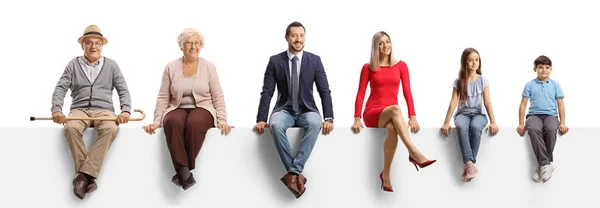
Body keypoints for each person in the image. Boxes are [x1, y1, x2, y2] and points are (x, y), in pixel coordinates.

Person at [142, 28, 233, 190]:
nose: (193, 47)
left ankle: (183, 170)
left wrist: (222, 121)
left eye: (197, 43)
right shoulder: (171, 67)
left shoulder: (209, 66)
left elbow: (218, 96)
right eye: (189, 43)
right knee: (172, 121)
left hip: (203, 107)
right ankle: (185, 172)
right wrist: (157, 121)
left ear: (201, 46)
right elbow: (163, 97)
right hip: (177, 107)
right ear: (181, 46)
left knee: (195, 122)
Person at [253, 21, 334, 199]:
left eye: (301, 36)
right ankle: (296, 174)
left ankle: (293, 172)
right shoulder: (275, 61)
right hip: (285, 109)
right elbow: (267, 91)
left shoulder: (314, 60)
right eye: (294, 35)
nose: (298, 39)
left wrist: (329, 117)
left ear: (305, 38)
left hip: (307, 109)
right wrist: (261, 118)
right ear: (287, 38)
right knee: (275, 125)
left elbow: (324, 90)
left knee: (315, 123)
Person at [51, 24, 132, 199]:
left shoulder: (112, 65)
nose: (93, 46)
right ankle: (88, 177)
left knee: (111, 129)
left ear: (102, 45)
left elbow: (123, 89)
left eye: (97, 43)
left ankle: (82, 177)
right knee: (70, 128)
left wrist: (125, 110)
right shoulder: (73, 65)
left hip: (104, 111)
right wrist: (57, 110)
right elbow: (60, 89)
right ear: (83, 46)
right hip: (79, 110)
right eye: (89, 43)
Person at [352, 31, 436, 192]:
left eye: (388, 41)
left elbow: (407, 92)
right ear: (375, 47)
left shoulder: (401, 66)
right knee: (396, 109)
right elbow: (361, 93)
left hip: (392, 115)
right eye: (381, 43)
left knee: (392, 129)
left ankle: (386, 175)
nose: (385, 46)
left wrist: (413, 116)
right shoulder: (368, 67)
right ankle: (413, 152)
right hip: (373, 113)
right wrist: (356, 117)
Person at [440, 48, 499, 182]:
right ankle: (470, 165)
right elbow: (454, 101)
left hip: (479, 114)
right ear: (465, 63)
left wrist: (493, 121)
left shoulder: (483, 81)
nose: (474, 63)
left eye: (476, 60)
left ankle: (469, 165)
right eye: (470, 60)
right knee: (461, 127)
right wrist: (446, 122)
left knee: (475, 127)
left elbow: (487, 101)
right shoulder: (459, 81)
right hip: (463, 114)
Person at [517, 55, 568, 183]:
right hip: (534, 116)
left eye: (547, 67)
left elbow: (560, 105)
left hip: (551, 116)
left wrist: (562, 123)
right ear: (535, 69)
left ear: (551, 69)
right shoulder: (529, 84)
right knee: (533, 129)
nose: (544, 70)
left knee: (551, 129)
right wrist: (520, 124)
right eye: (540, 67)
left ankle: (541, 166)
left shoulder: (556, 85)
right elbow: (523, 105)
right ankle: (546, 164)